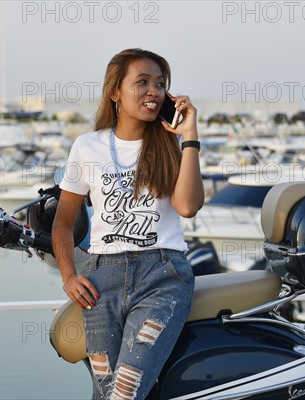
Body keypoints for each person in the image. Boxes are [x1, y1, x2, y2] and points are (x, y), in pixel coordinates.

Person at [51, 48, 204, 400]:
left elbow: (187, 206)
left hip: (163, 275)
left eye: (161, 84)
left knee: (125, 390)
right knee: (105, 391)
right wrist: (69, 276)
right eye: (143, 82)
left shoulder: (172, 144)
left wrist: (190, 136)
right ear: (115, 91)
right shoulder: (87, 146)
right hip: (101, 279)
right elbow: (63, 223)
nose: (154, 91)